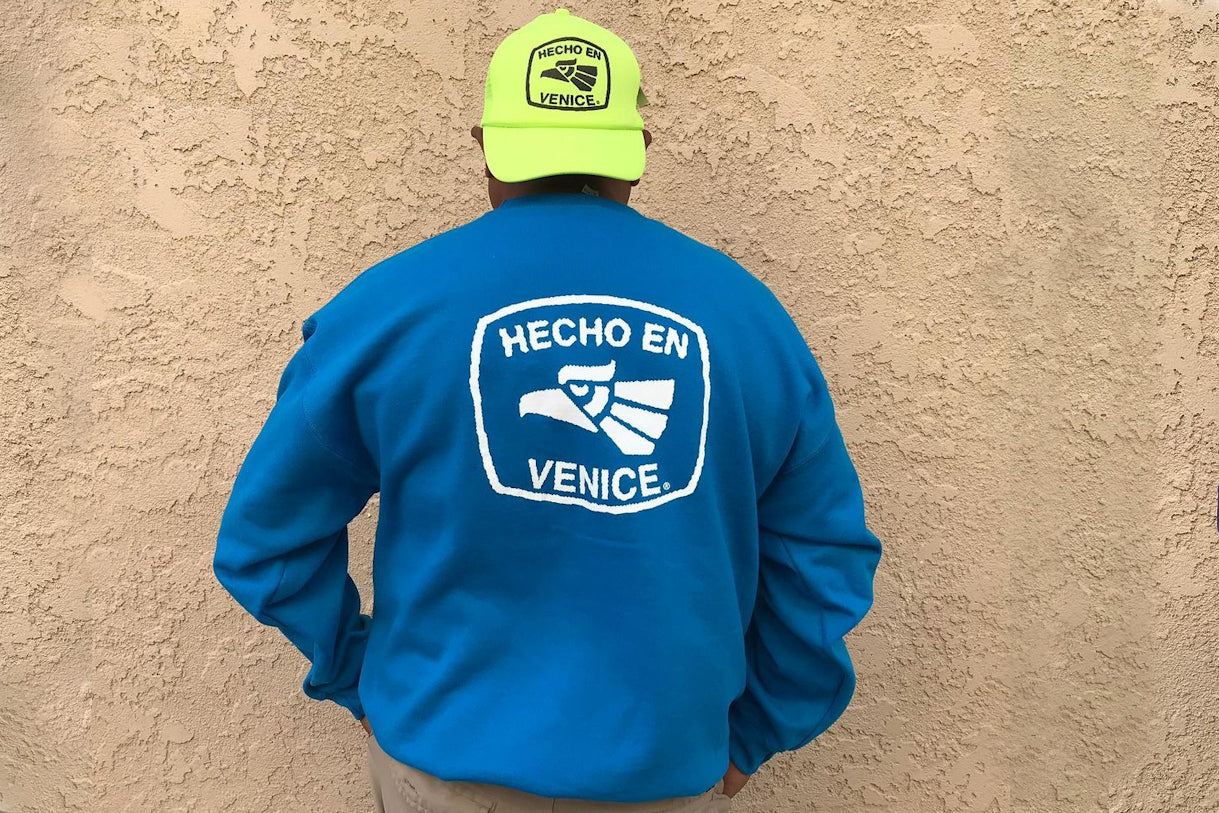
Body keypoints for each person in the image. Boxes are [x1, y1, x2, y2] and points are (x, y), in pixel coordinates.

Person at [212, 8, 882, 813]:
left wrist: (356, 677)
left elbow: (266, 543)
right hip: (662, 779)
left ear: (487, 146)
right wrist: (757, 729)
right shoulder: (747, 321)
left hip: (440, 770)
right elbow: (824, 562)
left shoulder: (383, 313)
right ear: (635, 153)